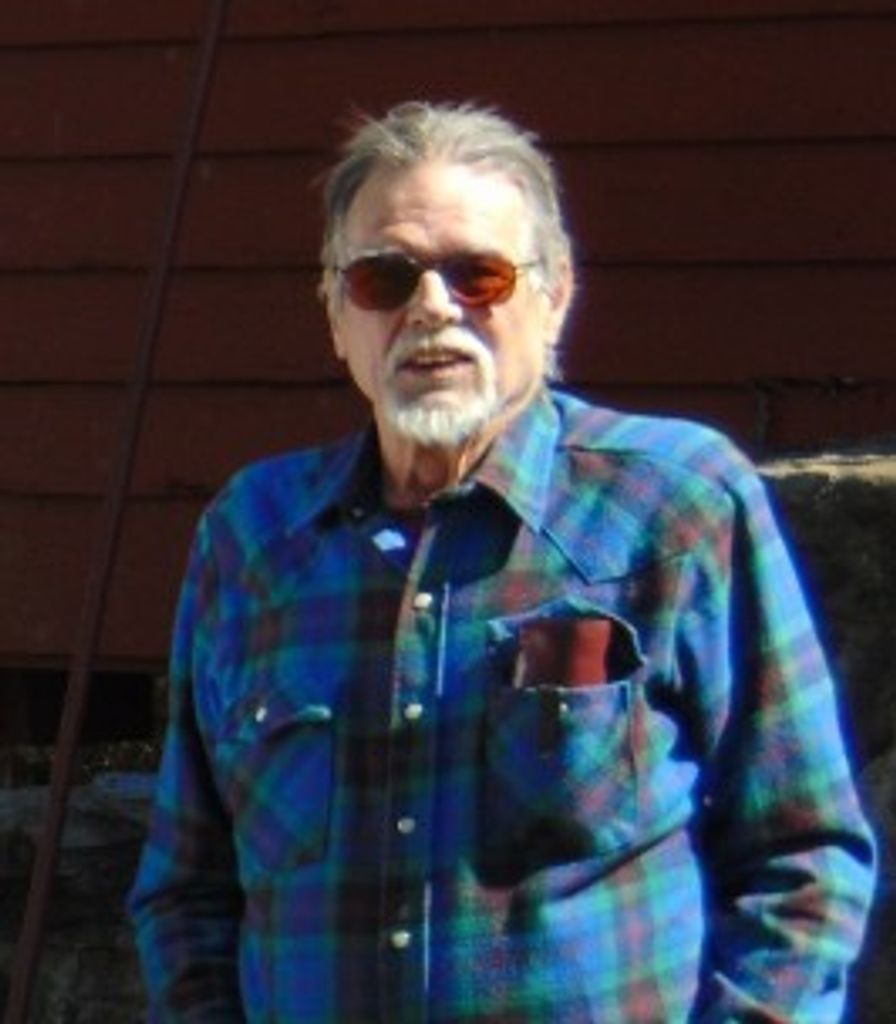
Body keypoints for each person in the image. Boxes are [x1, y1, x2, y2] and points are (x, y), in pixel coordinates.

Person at [128, 101, 876, 1022]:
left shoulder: (675, 506)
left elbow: (803, 859)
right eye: (385, 278)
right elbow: (188, 888)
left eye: (478, 274)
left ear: (554, 297)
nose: (432, 307)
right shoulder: (252, 536)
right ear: (335, 314)